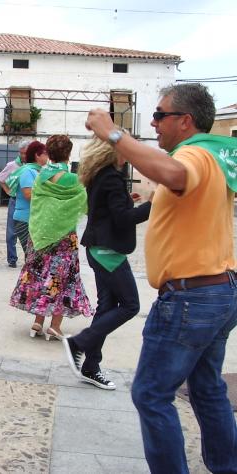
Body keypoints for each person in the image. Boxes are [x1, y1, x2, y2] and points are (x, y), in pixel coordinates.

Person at [86, 83, 237, 472]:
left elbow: (172, 172)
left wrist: (113, 134)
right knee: (207, 389)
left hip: (191, 297)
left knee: (151, 394)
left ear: (185, 121)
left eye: (159, 115)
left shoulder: (194, 154)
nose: (153, 123)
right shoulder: (214, 155)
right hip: (216, 290)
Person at [62, 132, 151, 391]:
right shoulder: (111, 176)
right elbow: (122, 219)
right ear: (114, 150)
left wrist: (127, 201)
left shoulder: (101, 174)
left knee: (107, 307)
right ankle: (78, 343)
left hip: (100, 248)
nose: (129, 152)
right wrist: (152, 206)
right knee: (130, 305)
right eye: (126, 147)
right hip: (107, 251)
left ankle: (91, 366)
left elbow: (108, 210)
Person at [9, 135, 92, 340]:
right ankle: (54, 326)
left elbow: (37, 204)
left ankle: (37, 322)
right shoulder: (73, 179)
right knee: (61, 280)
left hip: (40, 234)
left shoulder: (40, 177)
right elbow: (85, 204)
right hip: (64, 237)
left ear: (50, 154)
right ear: (68, 154)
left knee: (40, 276)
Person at [8, 141, 48, 256]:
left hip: (35, 218)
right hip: (25, 219)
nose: (48, 156)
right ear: (37, 155)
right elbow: (28, 195)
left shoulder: (38, 171)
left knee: (35, 256)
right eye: (45, 153)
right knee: (32, 255)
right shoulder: (27, 171)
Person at [0, 140, 31, 267]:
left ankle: (29, 258)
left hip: (29, 202)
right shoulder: (12, 165)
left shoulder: (34, 166)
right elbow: (1, 178)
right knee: (11, 232)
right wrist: (8, 191)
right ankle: (12, 259)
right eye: (21, 153)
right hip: (15, 201)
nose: (23, 155)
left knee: (29, 232)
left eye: (25, 153)